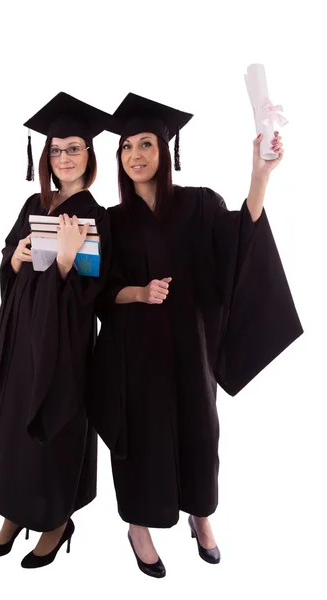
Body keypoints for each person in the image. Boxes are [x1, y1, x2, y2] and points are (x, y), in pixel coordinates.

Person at [88, 93, 303, 578]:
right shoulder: (111, 221)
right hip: (133, 356)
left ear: (166, 151)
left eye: (146, 143)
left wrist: (260, 175)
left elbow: (239, 247)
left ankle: (200, 516)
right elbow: (99, 294)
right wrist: (138, 293)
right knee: (140, 440)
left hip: (191, 349)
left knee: (200, 435)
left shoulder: (201, 203)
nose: (135, 154)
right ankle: (138, 527)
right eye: (126, 147)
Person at [0, 92, 114, 569]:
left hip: (62, 346)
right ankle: (14, 514)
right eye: (56, 150)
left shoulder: (97, 216)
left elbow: (88, 297)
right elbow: (11, 263)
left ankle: (55, 521)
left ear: (89, 155)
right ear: (47, 158)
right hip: (18, 337)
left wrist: (69, 259)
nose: (64, 157)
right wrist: (12, 260)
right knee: (10, 424)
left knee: (50, 426)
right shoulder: (34, 202)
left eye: (74, 148)